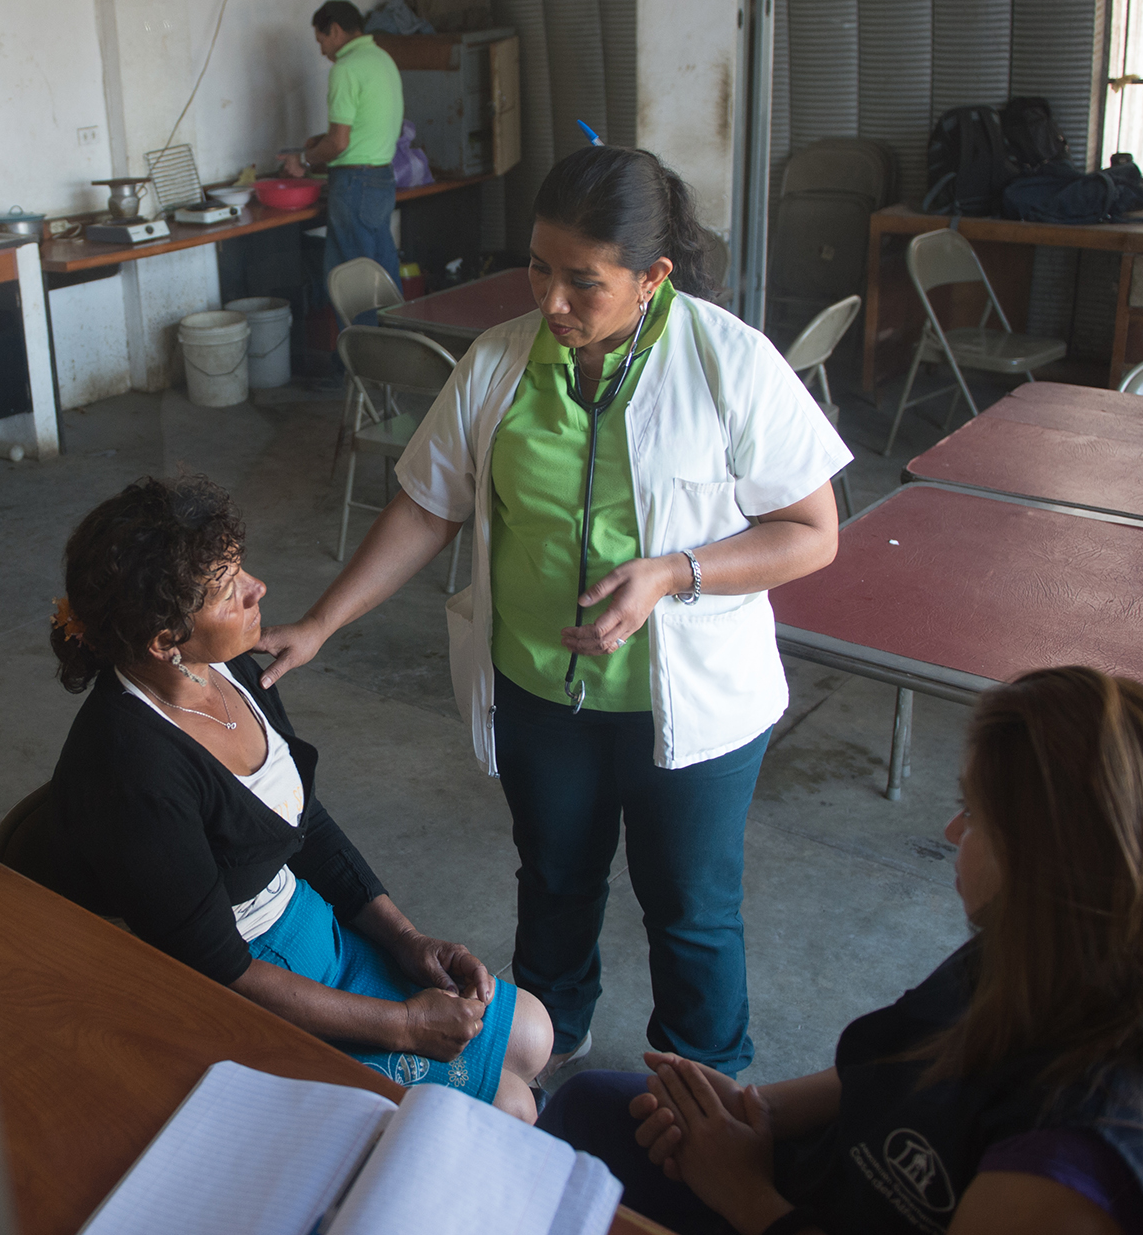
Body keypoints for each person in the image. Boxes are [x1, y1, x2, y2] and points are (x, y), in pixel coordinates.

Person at [258, 145, 850, 1081]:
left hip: (689, 707)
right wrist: (322, 621)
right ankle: (543, 1038)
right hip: (540, 690)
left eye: (584, 282)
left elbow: (811, 531)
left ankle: (703, 1079)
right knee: (555, 881)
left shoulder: (727, 362)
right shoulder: (499, 361)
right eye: (539, 266)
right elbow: (426, 503)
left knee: (690, 906)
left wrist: (674, 572)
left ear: (652, 277)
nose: (551, 300)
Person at [538, 667, 1143, 1235]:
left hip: (786, 1211)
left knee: (559, 1176)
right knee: (593, 1104)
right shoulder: (1057, 951)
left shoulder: (1071, 1172)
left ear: (1046, 870)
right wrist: (747, 1108)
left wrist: (741, 1190)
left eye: (974, 812)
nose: (950, 833)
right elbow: (902, 1061)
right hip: (826, 1175)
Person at [10, 475, 552, 1121]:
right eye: (227, 589)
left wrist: (406, 938)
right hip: (248, 988)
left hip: (306, 923)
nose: (256, 588)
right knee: (513, 1105)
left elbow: (304, 823)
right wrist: (401, 1025)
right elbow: (220, 969)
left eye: (240, 568)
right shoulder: (132, 771)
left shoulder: (234, 664)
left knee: (535, 1033)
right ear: (164, 640)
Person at [282, 0, 404, 313]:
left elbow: (339, 143)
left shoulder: (345, 69)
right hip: (382, 180)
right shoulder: (382, 59)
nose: (322, 49)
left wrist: (305, 160)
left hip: (354, 185)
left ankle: (358, 360)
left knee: (352, 282)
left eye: (321, 40)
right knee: (383, 275)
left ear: (335, 31)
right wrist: (320, 141)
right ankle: (398, 353)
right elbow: (367, 125)